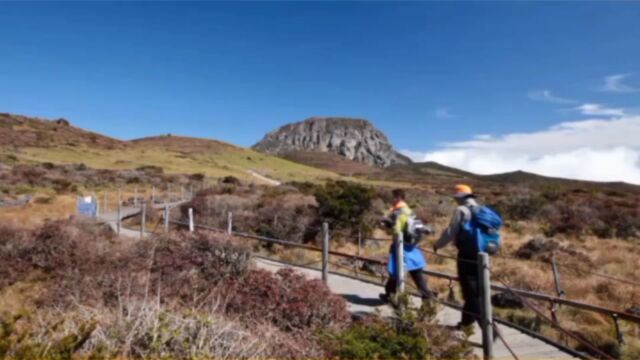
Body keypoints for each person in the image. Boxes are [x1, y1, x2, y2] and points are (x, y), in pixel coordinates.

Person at [434, 184, 481, 329]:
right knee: (477, 290)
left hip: (467, 255)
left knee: (469, 292)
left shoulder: (461, 210)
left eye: (456, 197)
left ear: (460, 197)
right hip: (483, 254)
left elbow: (450, 232)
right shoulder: (482, 209)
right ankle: (466, 322)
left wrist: (437, 245)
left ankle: (488, 327)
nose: (455, 200)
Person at [380, 188, 435, 303]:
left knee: (396, 272)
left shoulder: (398, 212)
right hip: (413, 247)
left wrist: (385, 227)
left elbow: (396, 231)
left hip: (401, 246)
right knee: (417, 273)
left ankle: (391, 296)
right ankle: (427, 297)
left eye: (393, 197)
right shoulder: (409, 211)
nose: (392, 200)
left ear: (398, 198)